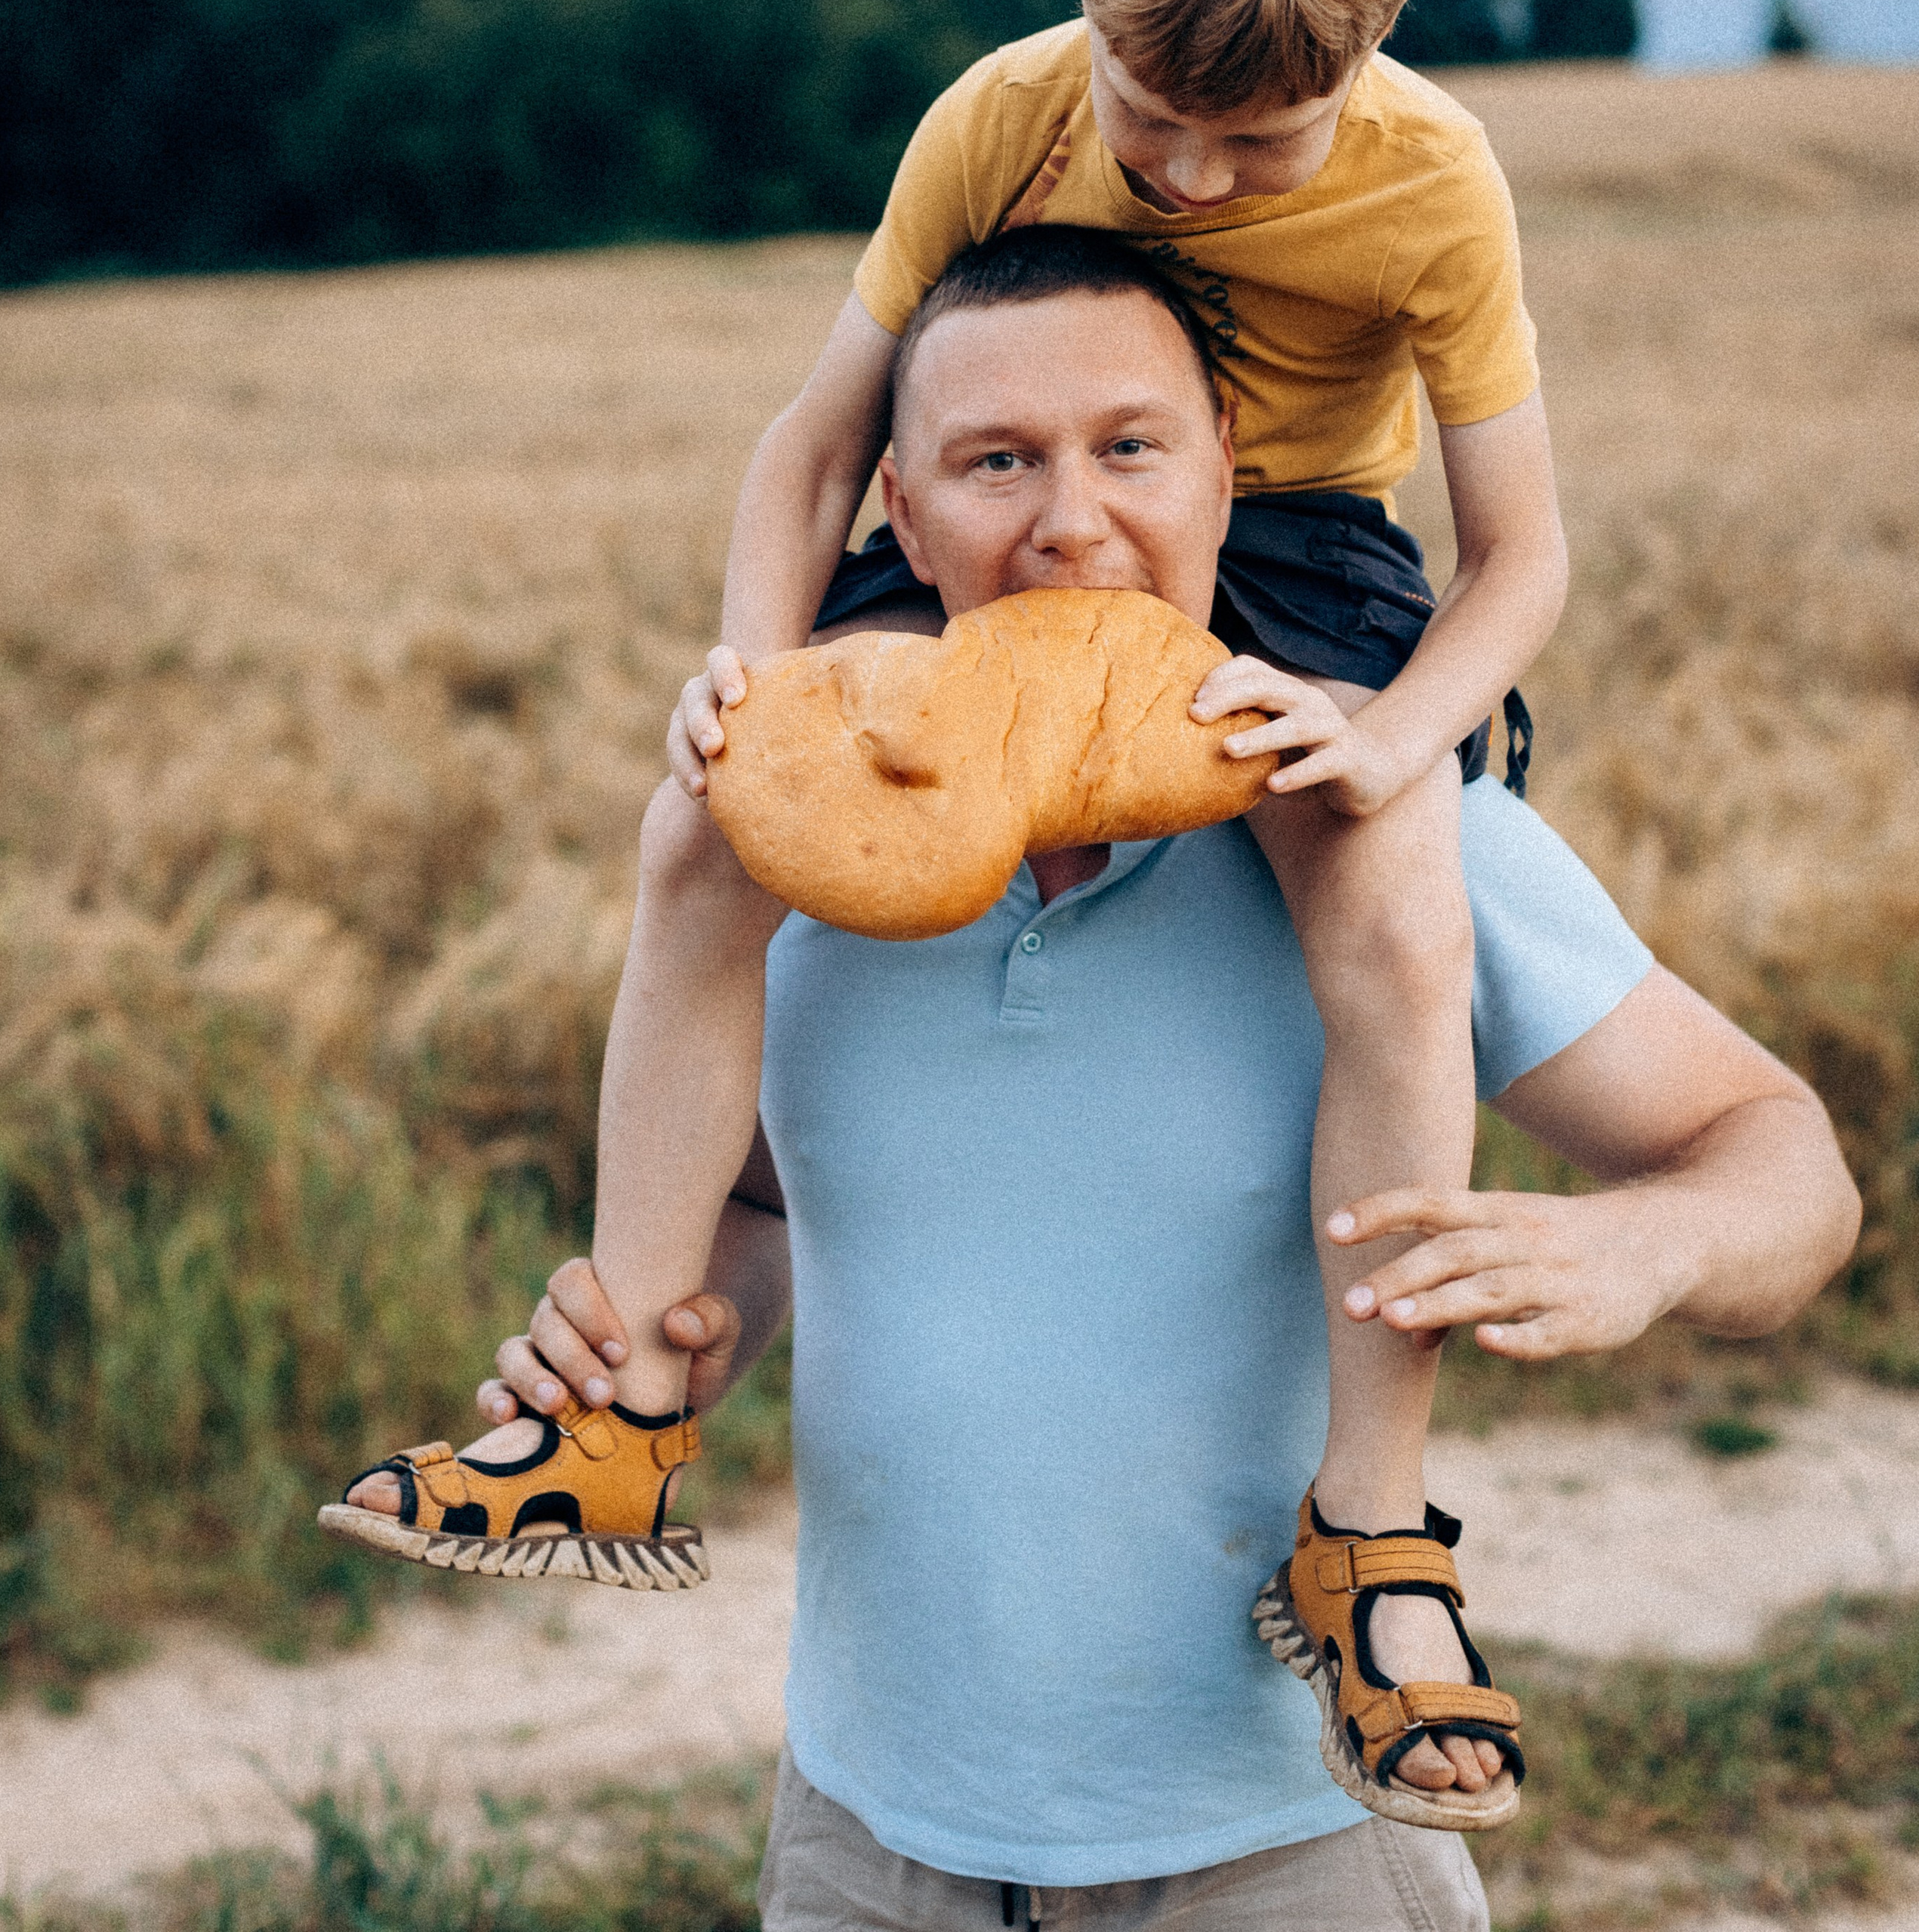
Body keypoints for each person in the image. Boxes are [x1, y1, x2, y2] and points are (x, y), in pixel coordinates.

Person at [341, 0, 1563, 1802]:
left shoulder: (1435, 180)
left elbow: (1520, 553)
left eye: (1254, 151)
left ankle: (1370, 1532)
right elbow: (822, 441)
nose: (1183, 179)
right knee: (703, 836)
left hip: (1300, 554)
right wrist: (756, 679)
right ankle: (624, 1395)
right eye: (1150, 118)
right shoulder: (996, 115)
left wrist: (1386, 739)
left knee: (1399, 919)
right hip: (1000, 517)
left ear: (1370, 51)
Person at [445, 244, 1858, 1928]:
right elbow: (766, 1211)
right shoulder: (801, 858)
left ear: (1225, 468)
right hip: (865, 1840)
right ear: (894, 510)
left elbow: (1787, 1167)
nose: (1067, 522)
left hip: (1291, 1846)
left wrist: (1650, 1247)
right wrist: (671, 1341)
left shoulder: (1391, 845)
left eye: (1130, 447)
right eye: (995, 461)